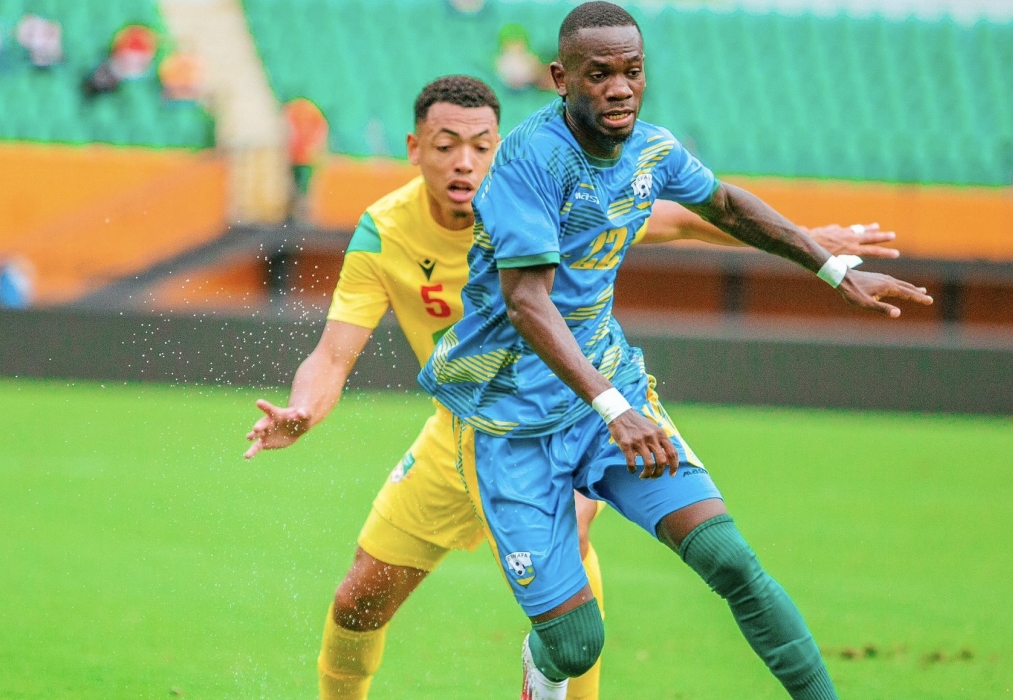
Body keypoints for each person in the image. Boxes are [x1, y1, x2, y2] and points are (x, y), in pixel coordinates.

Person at [244, 75, 898, 700]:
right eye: (446, 147)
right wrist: (304, 409)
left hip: (574, 416)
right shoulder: (384, 231)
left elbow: (686, 215)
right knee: (359, 601)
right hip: (462, 437)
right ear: (415, 149)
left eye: (481, 146)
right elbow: (332, 356)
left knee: (576, 595)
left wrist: (811, 246)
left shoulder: (539, 197)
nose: (464, 162)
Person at [415, 4, 933, 699]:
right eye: (599, 75)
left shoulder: (653, 150)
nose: (620, 88)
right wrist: (613, 409)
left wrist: (834, 271)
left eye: (632, 71)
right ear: (560, 79)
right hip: (511, 423)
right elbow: (527, 302)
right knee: (576, 643)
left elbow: (727, 206)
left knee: (729, 558)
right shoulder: (529, 162)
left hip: (608, 395)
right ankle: (544, 664)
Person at [283, 97, 329, 223]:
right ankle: (293, 211)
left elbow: (320, 132)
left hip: (306, 158)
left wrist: (313, 149)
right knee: (292, 184)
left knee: (306, 186)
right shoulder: (292, 115)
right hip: (294, 156)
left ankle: (303, 212)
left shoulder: (312, 116)